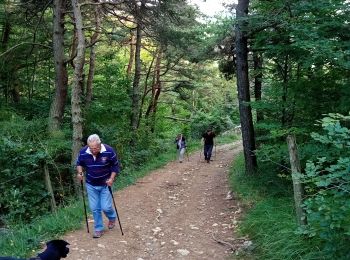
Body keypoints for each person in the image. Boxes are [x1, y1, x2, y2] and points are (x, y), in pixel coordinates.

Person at [76, 134, 120, 238]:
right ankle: (98, 229)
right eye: (91, 148)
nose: (93, 150)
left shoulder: (109, 150)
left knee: (106, 206)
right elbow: (79, 163)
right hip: (91, 184)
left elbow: (115, 165)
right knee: (94, 208)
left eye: (95, 148)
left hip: (105, 184)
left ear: (100, 145)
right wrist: (80, 172)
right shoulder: (83, 152)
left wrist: (112, 178)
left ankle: (112, 217)